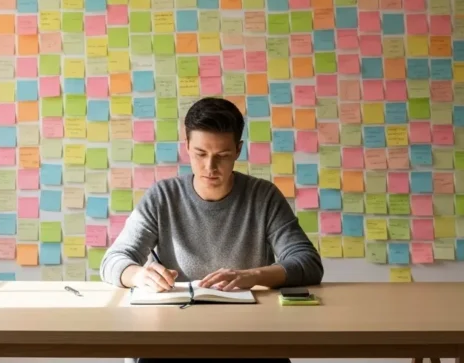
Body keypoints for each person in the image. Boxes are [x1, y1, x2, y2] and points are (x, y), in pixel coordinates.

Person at [100, 96, 324, 363]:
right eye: (200, 154)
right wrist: (139, 275)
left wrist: (253, 275)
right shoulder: (163, 196)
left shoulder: (263, 196)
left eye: (222, 156)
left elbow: (308, 263)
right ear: (187, 147)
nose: (210, 167)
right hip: (174, 333)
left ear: (238, 150)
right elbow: (112, 261)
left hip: (249, 333)